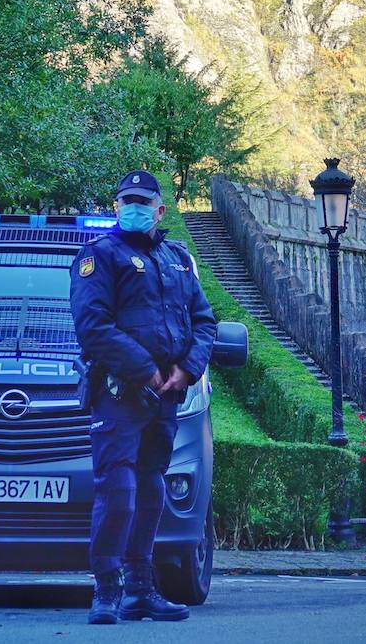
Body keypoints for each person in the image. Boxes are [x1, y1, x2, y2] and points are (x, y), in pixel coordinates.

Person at [68, 169, 216, 624]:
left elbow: (205, 322)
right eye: (125, 200)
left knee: (151, 488)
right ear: (116, 207)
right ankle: (106, 591)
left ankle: (139, 590)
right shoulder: (99, 256)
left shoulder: (178, 259)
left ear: (160, 209)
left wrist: (186, 370)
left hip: (166, 396)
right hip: (119, 393)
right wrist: (147, 370)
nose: (132, 207)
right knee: (119, 491)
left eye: (142, 201)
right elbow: (93, 327)